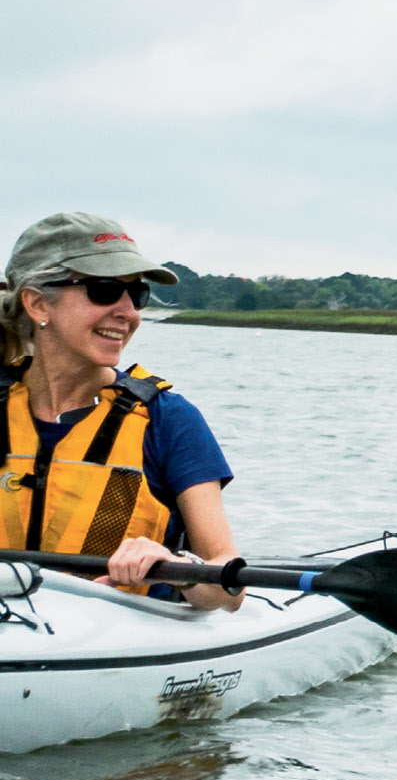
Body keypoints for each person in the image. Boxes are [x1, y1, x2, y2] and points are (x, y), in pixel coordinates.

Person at [0, 212, 243, 610]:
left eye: (137, 295)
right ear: (38, 303)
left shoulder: (168, 420)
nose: (129, 312)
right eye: (104, 290)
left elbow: (228, 590)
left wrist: (177, 565)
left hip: (117, 635)